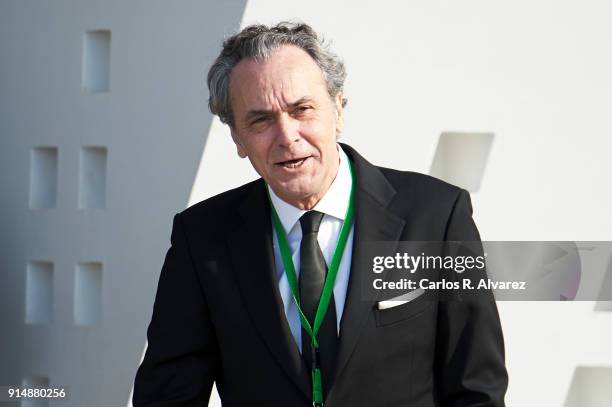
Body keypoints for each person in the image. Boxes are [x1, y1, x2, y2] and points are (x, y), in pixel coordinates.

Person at [133, 22, 508, 406]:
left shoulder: (437, 215)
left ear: (338, 110)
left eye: (302, 109)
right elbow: (168, 396)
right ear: (237, 139)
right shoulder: (202, 237)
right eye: (260, 120)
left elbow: (476, 387)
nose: (287, 135)